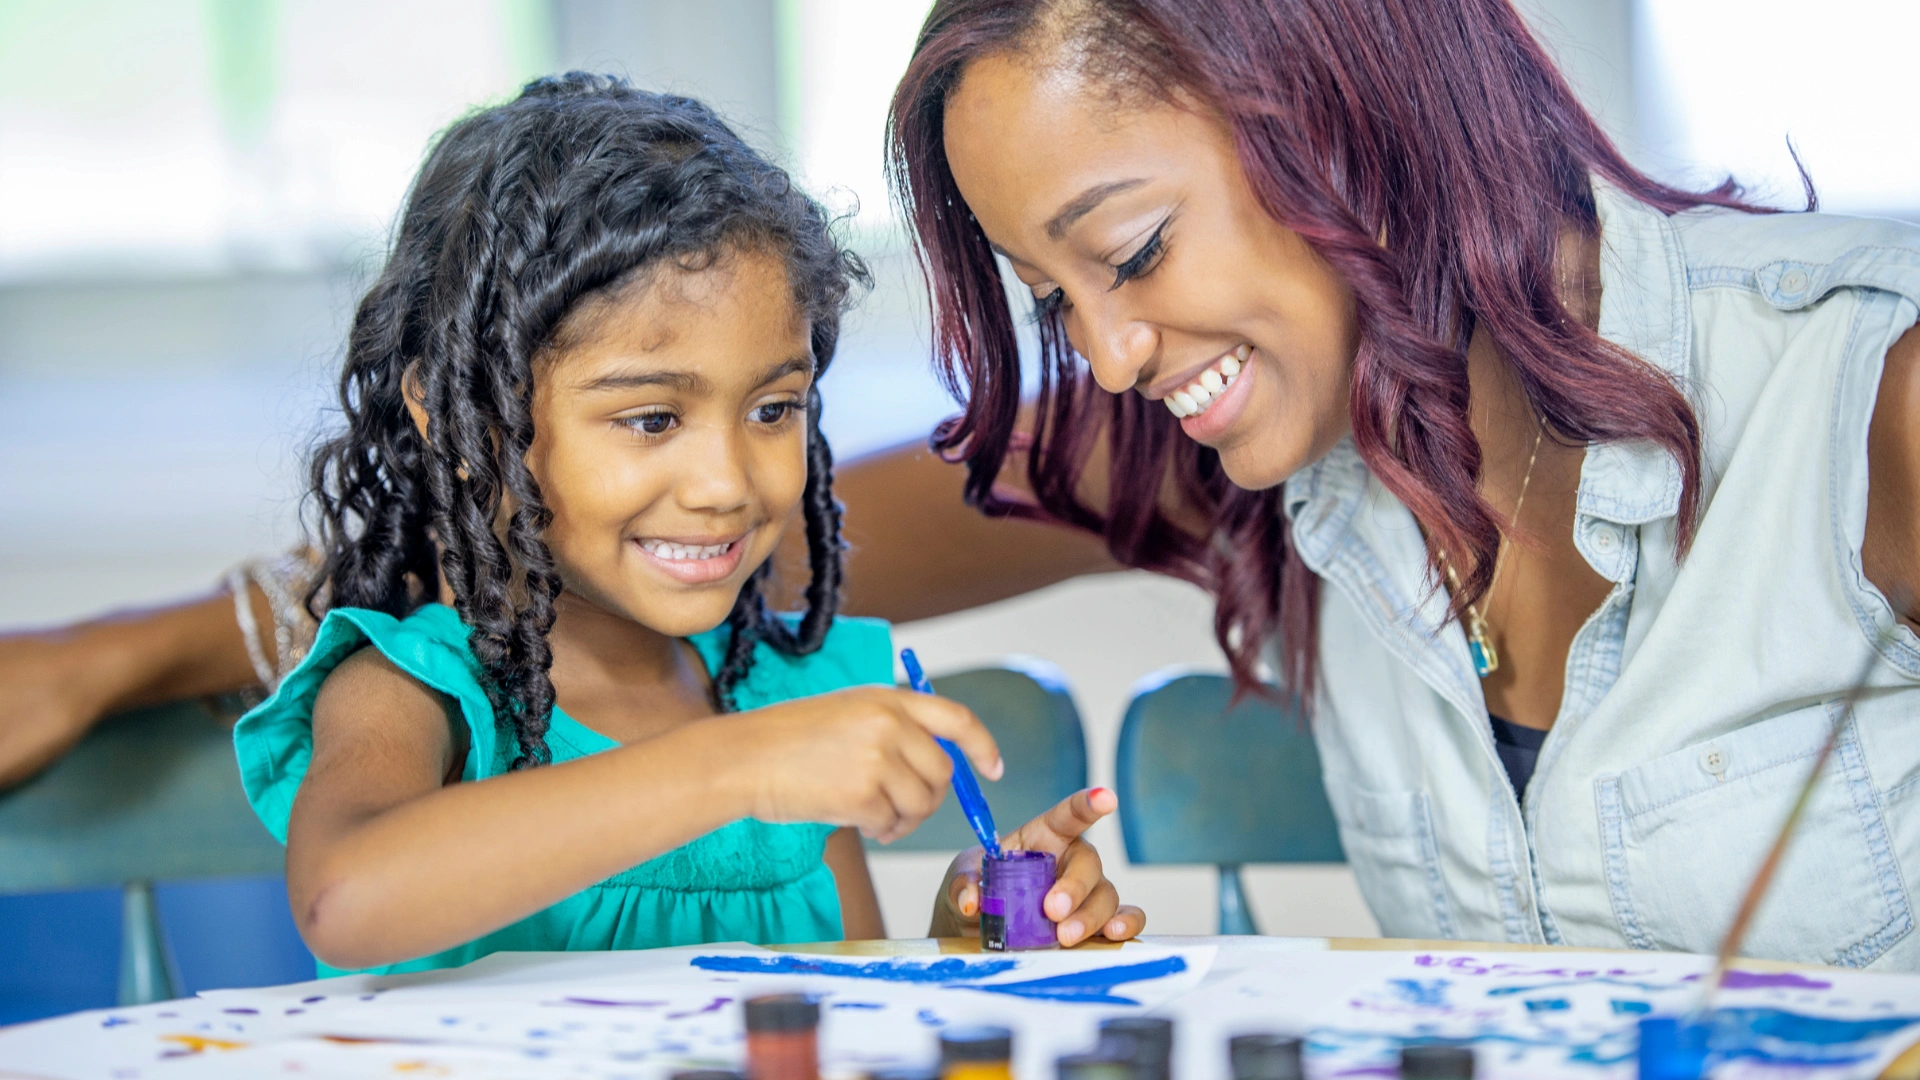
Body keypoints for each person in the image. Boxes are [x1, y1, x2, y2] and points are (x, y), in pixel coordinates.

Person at [8, 0, 1918, 969]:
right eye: (1044, 291)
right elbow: (655, 543)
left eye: (1131, 250)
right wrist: (151, 646)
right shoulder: (1212, 439)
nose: (1096, 355)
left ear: (1346, 122)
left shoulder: (1868, 401)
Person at [228, 74, 1141, 975]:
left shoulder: (784, 692)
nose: (725, 485)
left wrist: (968, 923)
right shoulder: (418, 693)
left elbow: (849, 1002)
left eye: (774, 408)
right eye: (653, 418)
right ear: (459, 417)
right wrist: (734, 767)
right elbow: (341, 902)